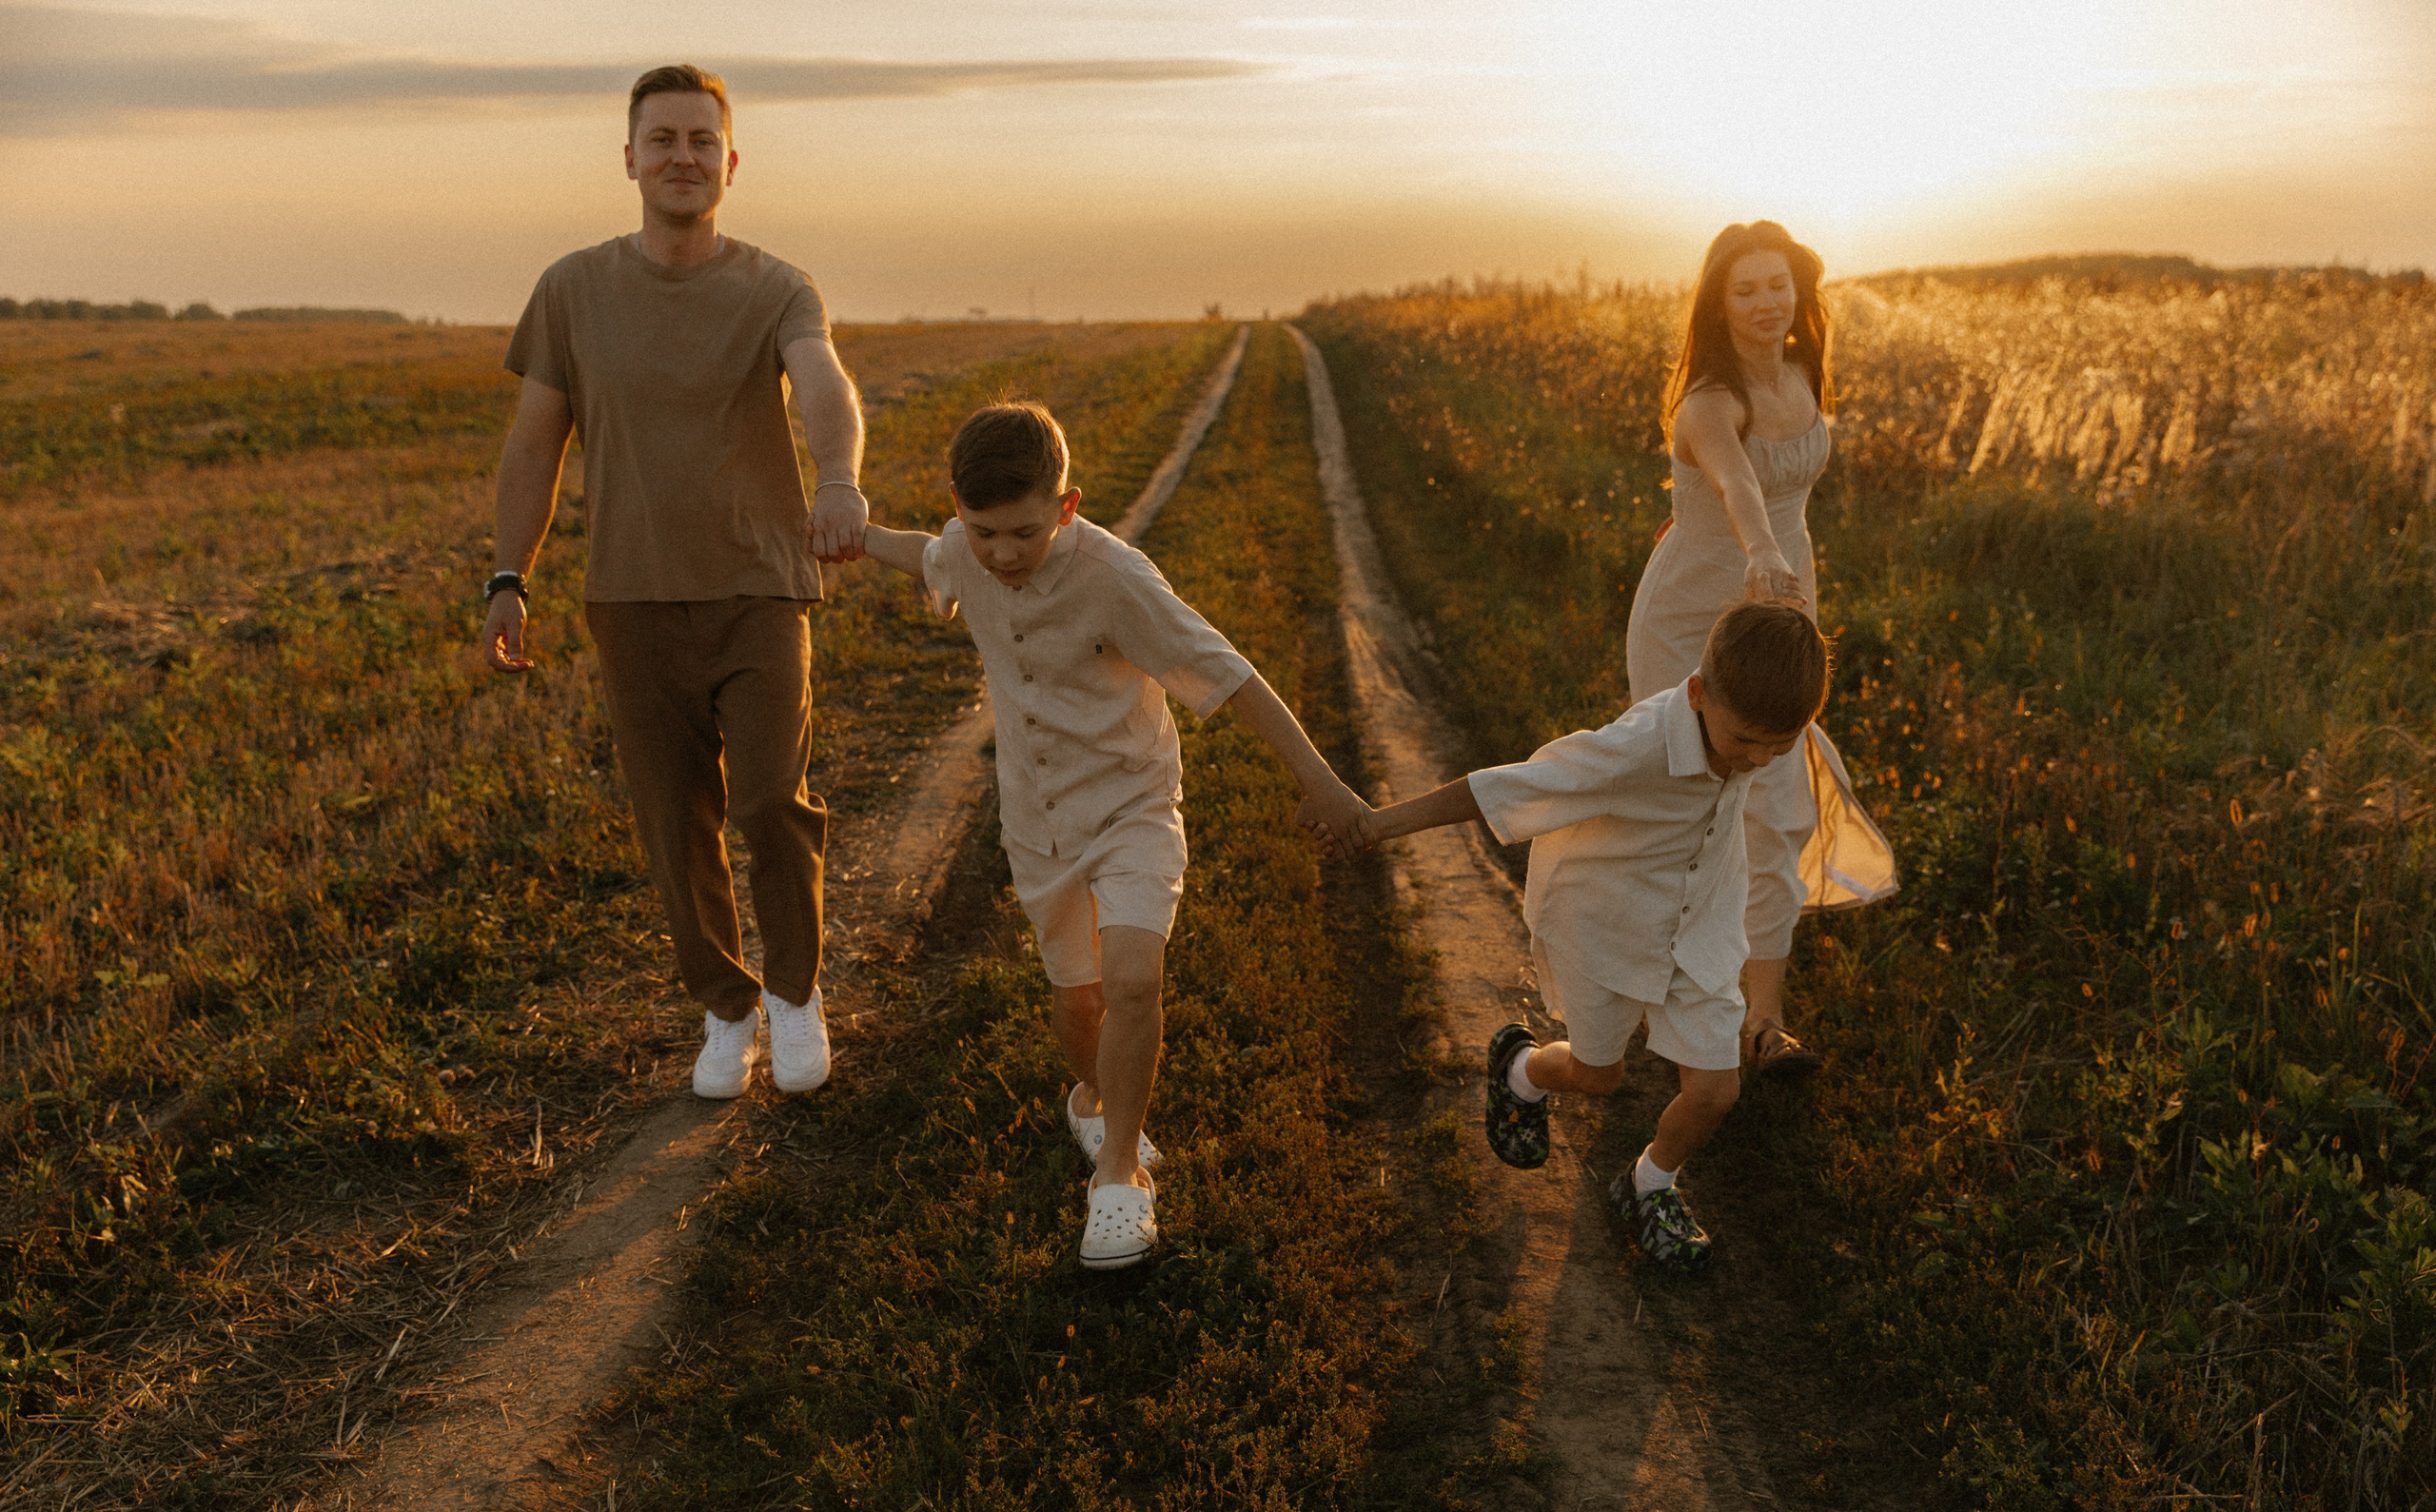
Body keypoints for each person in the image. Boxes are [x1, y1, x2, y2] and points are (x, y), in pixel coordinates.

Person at [846, 403, 1367, 1268]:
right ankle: (1094, 1102)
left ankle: (1120, 1181)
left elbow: (1231, 676)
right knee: (1078, 998)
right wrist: (847, 529)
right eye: (986, 533)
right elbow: (921, 552)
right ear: (959, 507)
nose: (1004, 554)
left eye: (1024, 531)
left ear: (1066, 505)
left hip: (1131, 802)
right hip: (1037, 818)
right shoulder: (961, 549)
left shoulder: (1117, 580)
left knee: (1133, 977)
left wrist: (1321, 781)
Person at [481, 65, 869, 1101]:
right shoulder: (572, 288)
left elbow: (825, 382)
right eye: (662, 141)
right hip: (631, 593)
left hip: (760, 585)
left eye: (702, 141)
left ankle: (794, 994)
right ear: (629, 161)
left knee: (770, 799)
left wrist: (838, 478)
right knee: (671, 815)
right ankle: (725, 1004)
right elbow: (533, 447)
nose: (682, 158)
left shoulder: (778, 285)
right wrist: (507, 578)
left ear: (729, 164)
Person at [1360, 602, 1828, 1271]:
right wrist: (1378, 824)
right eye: (1746, 742)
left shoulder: (1755, 722)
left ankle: (1648, 1185)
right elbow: (1507, 787)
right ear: (1697, 693)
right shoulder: (1635, 748)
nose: (1757, 760)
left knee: (1716, 1089)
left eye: (1777, 747)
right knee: (1597, 1074)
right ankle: (1520, 1069)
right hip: (1605, 926)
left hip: (1699, 933)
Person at [1623, 221, 1897, 1085]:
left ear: (1797, 291)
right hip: (1692, 623)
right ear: (1718, 300)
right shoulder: (1708, 399)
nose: (1763, 302)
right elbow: (1742, 484)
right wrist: (1760, 552)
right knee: (1687, 819)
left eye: (1776, 285)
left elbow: (1788, 496)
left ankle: (1762, 1027)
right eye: (1744, 289)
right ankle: (1649, 997)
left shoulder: (1803, 373)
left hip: (1780, 613)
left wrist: (1785, 576)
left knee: (1779, 815)